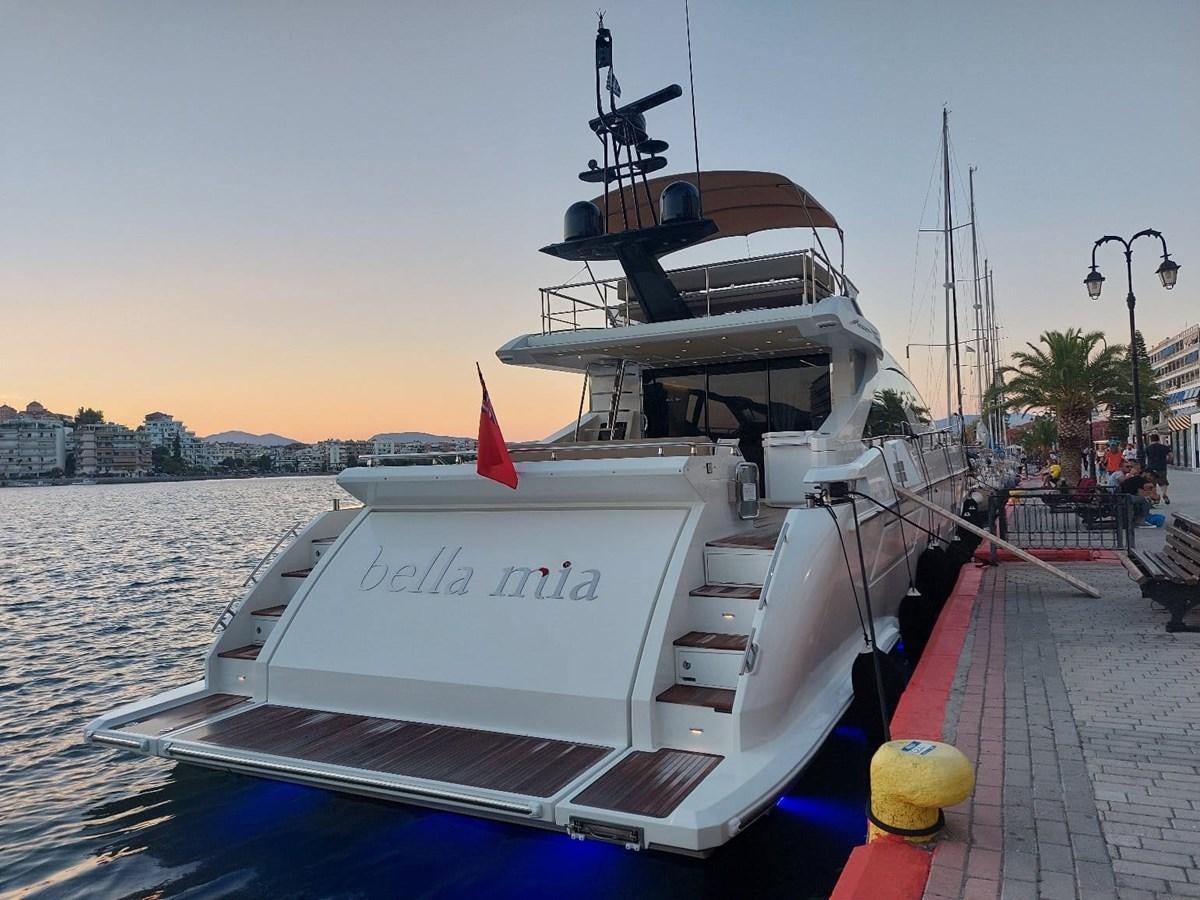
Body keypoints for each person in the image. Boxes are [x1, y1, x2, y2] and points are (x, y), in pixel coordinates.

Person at [1118, 463, 1160, 527]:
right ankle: (1142, 520)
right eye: (1151, 476)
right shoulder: (1140, 480)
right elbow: (1141, 494)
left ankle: (1137, 519)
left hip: (1123, 496)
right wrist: (1151, 496)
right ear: (1146, 473)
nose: (1151, 478)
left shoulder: (1138, 479)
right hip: (1124, 497)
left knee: (1142, 500)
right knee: (1145, 500)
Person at [1145, 434, 1172, 505]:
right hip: (1162, 467)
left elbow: (1146, 457)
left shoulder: (1148, 448)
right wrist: (1168, 461)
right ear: (1158, 439)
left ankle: (1156, 498)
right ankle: (1164, 494)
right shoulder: (1164, 447)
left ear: (1151, 440)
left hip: (1151, 468)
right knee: (1163, 482)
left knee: (1153, 484)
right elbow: (1171, 456)